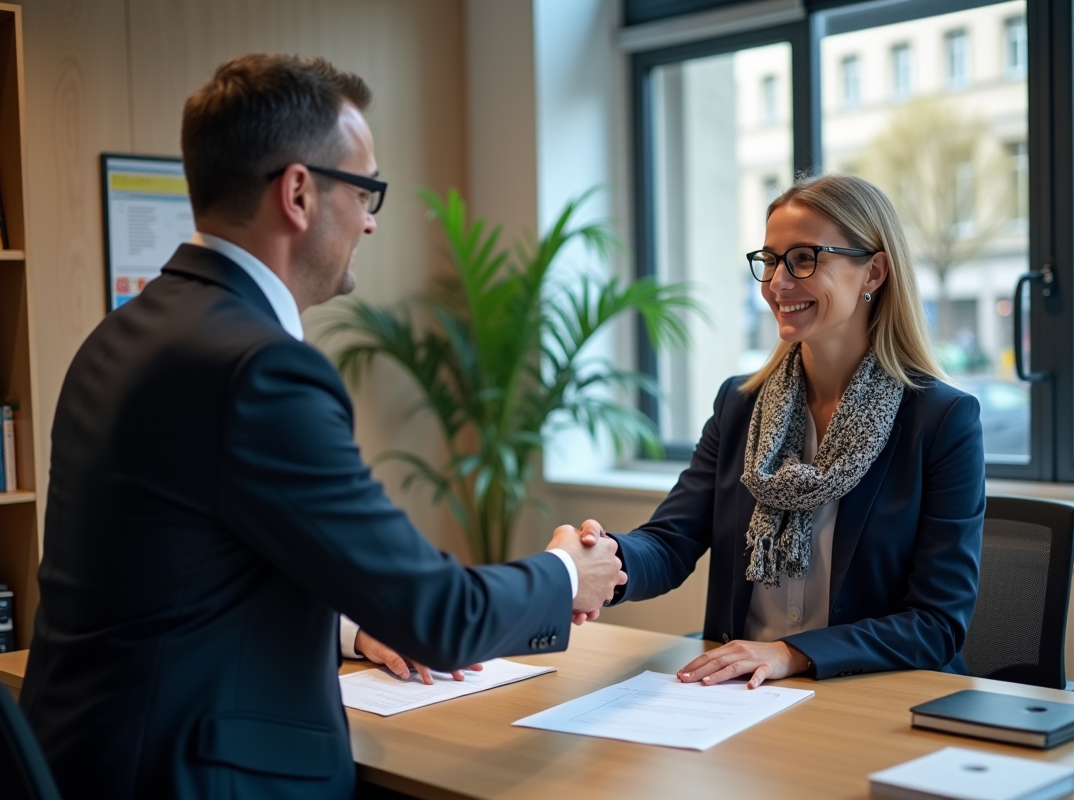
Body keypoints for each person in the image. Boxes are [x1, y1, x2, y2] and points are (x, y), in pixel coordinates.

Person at [19, 54, 624, 800]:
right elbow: (438, 613)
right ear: (299, 192)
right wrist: (568, 572)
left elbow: (192, 567)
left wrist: (351, 627)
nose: (371, 220)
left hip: (94, 759)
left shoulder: (127, 332)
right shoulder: (259, 368)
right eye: (367, 190)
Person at [586, 173, 984, 689]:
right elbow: (670, 541)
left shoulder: (941, 420)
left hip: (868, 693)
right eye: (770, 260)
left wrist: (789, 653)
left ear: (874, 272)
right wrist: (603, 561)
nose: (777, 283)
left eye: (803, 258)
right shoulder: (739, 405)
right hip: (738, 695)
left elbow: (936, 623)